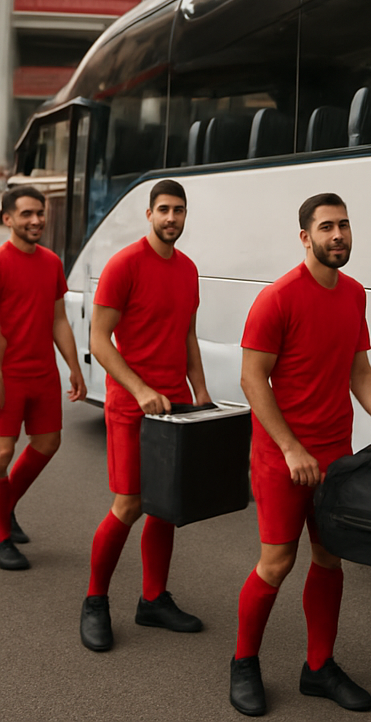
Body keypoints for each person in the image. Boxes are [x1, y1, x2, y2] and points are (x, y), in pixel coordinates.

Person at [229, 192, 371, 717]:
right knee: (276, 563)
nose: (338, 235)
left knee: (330, 558)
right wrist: (290, 447)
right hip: (281, 457)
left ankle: (318, 668)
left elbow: (358, 368)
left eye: (345, 226)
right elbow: (252, 378)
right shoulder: (278, 299)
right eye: (327, 227)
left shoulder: (353, 293)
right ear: (305, 236)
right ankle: (244, 662)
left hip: (334, 453)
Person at [80, 179, 210, 652]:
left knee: (165, 506)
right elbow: (99, 341)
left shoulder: (190, 269)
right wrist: (139, 388)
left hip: (175, 406)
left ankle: (153, 599)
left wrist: (200, 392)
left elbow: (188, 335)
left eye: (179, 210)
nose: (172, 218)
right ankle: (95, 600)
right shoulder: (124, 265)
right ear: (149, 213)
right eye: (164, 210)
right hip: (130, 406)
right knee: (129, 505)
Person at [0, 185, 86, 571]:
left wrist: (74, 366)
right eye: (26, 214)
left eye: (39, 213)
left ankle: (5, 506)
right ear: (7, 220)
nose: (35, 220)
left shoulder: (51, 261)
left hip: (43, 373)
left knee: (48, 444)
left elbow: (58, 319)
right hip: (7, 374)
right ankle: (1, 534)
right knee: (1, 453)